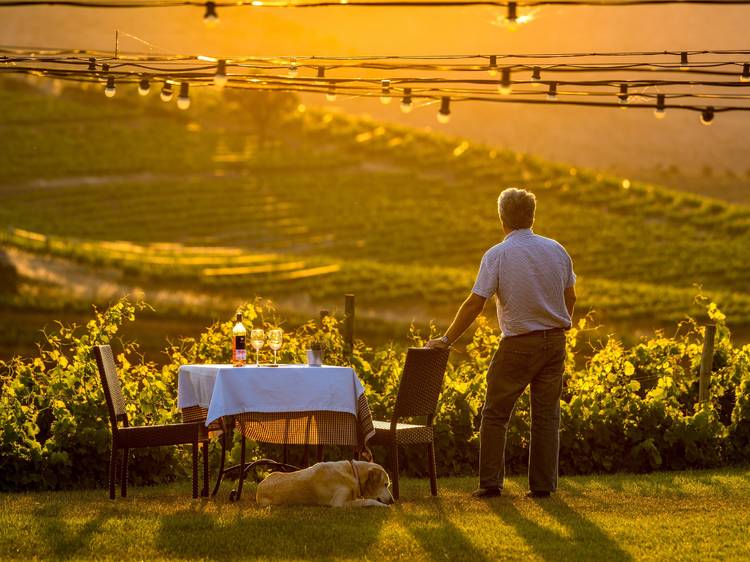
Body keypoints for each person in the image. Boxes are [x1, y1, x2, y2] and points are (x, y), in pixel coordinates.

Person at [426, 187, 576, 499]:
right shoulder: (557, 250)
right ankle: (543, 486)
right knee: (547, 416)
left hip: (518, 344)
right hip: (555, 342)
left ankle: (491, 483)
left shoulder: (498, 255)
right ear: (532, 216)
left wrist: (446, 339)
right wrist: (563, 324)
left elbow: (474, 304)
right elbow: (570, 296)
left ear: (501, 218)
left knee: (495, 413)